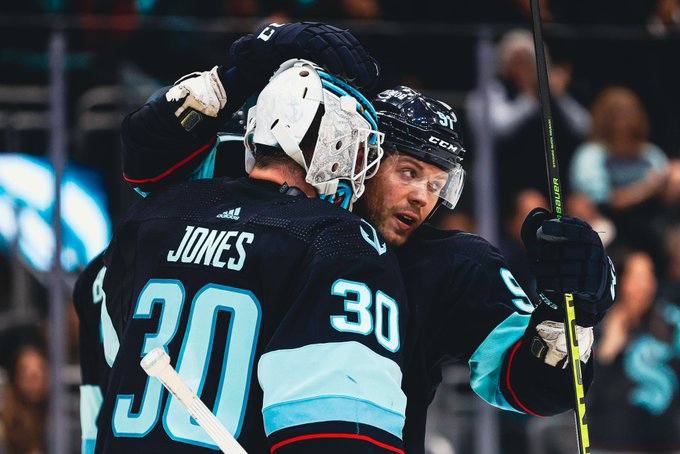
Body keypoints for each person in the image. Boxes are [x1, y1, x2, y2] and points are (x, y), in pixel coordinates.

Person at [78, 22, 616, 454]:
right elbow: (148, 151)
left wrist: (567, 315)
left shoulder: (452, 267)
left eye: (438, 184)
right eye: (408, 172)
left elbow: (540, 389)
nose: (422, 200)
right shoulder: (289, 222)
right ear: (355, 149)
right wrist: (237, 71)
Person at [75, 50, 413, 453]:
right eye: (353, 145)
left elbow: (118, 345)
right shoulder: (338, 237)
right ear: (325, 142)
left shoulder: (153, 215)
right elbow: (341, 429)